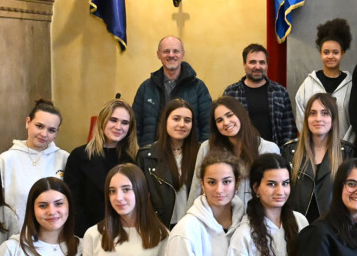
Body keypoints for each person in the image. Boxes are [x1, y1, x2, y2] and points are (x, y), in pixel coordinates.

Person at [190, 96, 280, 212]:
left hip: (256, 218)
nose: (226, 122)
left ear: (241, 114)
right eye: (219, 120)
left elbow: (275, 190)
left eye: (229, 115)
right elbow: (196, 189)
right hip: (217, 220)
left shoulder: (268, 148)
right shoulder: (207, 148)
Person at [64, 98, 137, 235]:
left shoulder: (133, 159)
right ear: (102, 121)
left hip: (124, 234)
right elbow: (73, 202)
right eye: (113, 120)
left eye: (125, 122)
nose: (118, 126)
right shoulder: (79, 156)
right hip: (87, 234)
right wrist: (88, 236)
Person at [284, 93, 354, 222]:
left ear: (333, 119)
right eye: (312, 113)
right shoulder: (289, 151)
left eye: (325, 113)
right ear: (306, 119)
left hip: (333, 229)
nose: (318, 118)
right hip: (296, 227)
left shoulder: (347, 153)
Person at [132, 35, 212, 145]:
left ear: (182, 54)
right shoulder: (146, 88)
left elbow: (208, 125)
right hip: (152, 155)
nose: (171, 55)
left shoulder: (198, 87)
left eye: (176, 51)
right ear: (158, 55)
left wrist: (200, 153)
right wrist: (142, 153)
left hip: (189, 155)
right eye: (166, 51)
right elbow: (135, 126)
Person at [0, 99, 68, 221]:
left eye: (51, 130)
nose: (44, 134)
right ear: (28, 122)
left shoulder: (64, 158)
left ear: (57, 132)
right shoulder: (6, 159)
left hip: (54, 234)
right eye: (39, 126)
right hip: (16, 233)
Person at [136, 98, 201, 228]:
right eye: (176, 119)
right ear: (165, 121)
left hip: (193, 225)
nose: (182, 124)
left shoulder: (201, 153)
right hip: (159, 226)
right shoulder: (146, 156)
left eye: (187, 120)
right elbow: (139, 198)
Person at [223, 43, 297, 145]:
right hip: (240, 154)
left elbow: (289, 129)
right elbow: (224, 126)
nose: (257, 67)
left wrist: (283, 154)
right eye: (252, 62)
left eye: (262, 62)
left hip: (274, 154)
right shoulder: (231, 93)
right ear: (244, 64)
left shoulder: (280, 92)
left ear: (267, 65)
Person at [296, 18, 355, 145]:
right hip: (314, 147)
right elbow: (301, 117)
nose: (330, 56)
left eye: (335, 52)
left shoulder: (351, 85)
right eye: (326, 52)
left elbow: (354, 121)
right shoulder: (308, 84)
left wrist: (345, 146)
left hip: (344, 149)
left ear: (342, 54)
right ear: (320, 54)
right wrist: (311, 142)